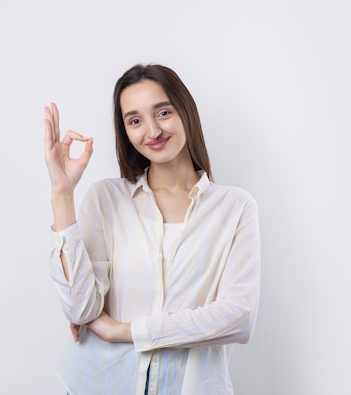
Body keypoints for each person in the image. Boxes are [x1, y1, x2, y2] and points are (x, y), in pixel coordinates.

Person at [43, 64, 260, 395]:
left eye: (163, 112)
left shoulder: (235, 207)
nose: (153, 130)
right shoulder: (106, 198)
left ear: (185, 111)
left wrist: (125, 331)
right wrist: (62, 194)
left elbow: (237, 317)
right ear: (126, 132)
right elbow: (81, 309)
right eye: (135, 121)